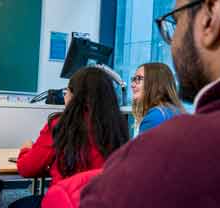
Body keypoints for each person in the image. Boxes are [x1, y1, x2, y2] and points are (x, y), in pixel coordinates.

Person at [80, 0, 220, 207]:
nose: (171, 42)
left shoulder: (165, 140)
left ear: (211, 16)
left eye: (175, 21)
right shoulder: (174, 115)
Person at [12, 67, 129, 207]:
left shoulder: (61, 124)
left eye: (67, 91)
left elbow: (27, 168)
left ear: (75, 96)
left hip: (65, 202)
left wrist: (25, 149)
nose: (65, 96)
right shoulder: (119, 126)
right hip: (102, 202)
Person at [131, 62, 185, 136]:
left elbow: (144, 147)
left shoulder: (154, 118)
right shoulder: (176, 112)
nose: (132, 85)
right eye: (133, 79)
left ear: (155, 83)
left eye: (139, 79)